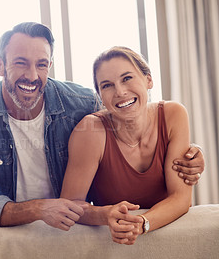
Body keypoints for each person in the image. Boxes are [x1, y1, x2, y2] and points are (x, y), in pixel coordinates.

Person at [0, 22, 204, 231]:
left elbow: (124, 119)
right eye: (20, 62)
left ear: (50, 65)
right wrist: (39, 208)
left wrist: (188, 151)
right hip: (15, 229)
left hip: (70, 230)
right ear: (0, 65)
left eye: (41, 64)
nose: (31, 75)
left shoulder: (81, 103)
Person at [61, 46, 194, 244]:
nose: (120, 92)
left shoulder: (174, 115)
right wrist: (105, 215)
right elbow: (70, 206)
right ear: (100, 96)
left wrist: (142, 223)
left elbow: (181, 198)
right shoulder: (90, 130)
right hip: (114, 244)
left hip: (168, 237)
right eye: (107, 85)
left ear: (148, 80)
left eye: (127, 78)